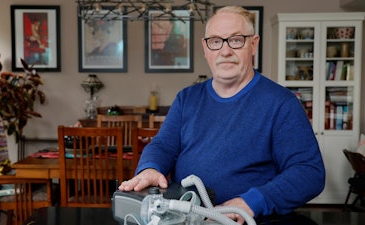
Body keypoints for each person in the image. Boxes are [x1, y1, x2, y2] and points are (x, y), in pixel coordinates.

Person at [119, 6, 325, 224]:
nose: (225, 51)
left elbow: (309, 173)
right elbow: (163, 146)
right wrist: (150, 167)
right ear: (205, 48)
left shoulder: (281, 104)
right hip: (187, 218)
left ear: (253, 44)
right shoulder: (186, 99)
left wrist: (249, 202)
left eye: (236, 40)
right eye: (216, 41)